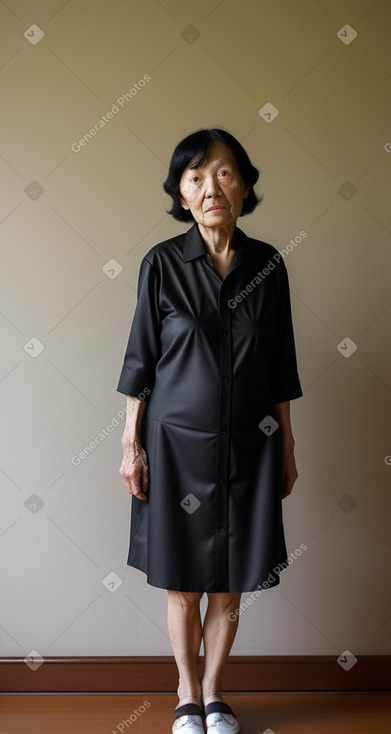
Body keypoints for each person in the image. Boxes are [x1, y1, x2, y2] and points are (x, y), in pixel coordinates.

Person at [117, 128, 303, 734]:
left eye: (224, 173)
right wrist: (130, 444)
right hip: (174, 450)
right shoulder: (162, 265)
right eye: (195, 178)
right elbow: (140, 362)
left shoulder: (268, 266)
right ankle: (185, 695)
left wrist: (289, 445)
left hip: (250, 447)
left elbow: (281, 367)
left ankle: (216, 696)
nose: (210, 187)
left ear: (244, 185)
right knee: (184, 583)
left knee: (228, 584)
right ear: (181, 193)